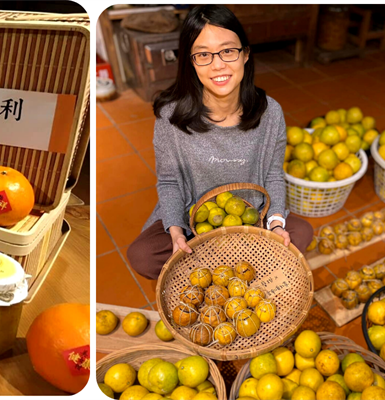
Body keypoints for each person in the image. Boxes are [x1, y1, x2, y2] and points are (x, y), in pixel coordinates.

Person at [126, 5, 313, 280]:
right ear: (190, 61)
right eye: (203, 54)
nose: (218, 64)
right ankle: (234, 267)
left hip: (253, 218)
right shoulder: (171, 117)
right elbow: (168, 182)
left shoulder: (270, 111)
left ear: (245, 54)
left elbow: (273, 173)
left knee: (302, 233)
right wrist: (177, 230)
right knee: (142, 255)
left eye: (228, 51)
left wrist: (274, 224)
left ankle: (220, 269)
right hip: (195, 222)